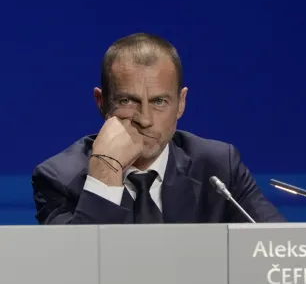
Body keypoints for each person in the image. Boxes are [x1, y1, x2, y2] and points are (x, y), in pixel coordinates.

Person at [32, 33, 285, 224]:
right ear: (101, 103)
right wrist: (105, 175)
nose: (145, 119)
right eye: (127, 101)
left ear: (181, 104)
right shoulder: (58, 178)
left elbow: (281, 252)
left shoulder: (218, 167)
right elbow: (76, 273)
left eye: (159, 102)